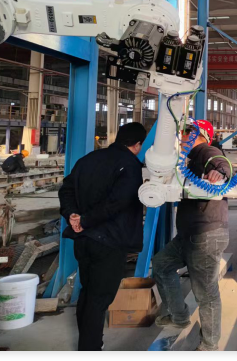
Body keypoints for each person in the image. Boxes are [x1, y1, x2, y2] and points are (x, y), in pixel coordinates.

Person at [58, 122, 147, 351]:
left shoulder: (88, 159)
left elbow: (66, 190)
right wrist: (85, 220)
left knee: (88, 292)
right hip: (109, 241)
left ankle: (91, 342)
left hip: (82, 240)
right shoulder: (130, 165)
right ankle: (90, 347)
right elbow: (117, 203)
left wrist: (72, 215)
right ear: (138, 145)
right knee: (99, 298)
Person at [153, 119, 231, 352]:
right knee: (161, 264)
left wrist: (219, 173)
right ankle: (179, 316)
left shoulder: (206, 151)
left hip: (206, 235)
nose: (183, 135)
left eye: (188, 131)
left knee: (205, 292)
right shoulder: (189, 158)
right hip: (188, 234)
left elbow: (222, 164)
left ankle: (209, 344)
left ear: (202, 135)